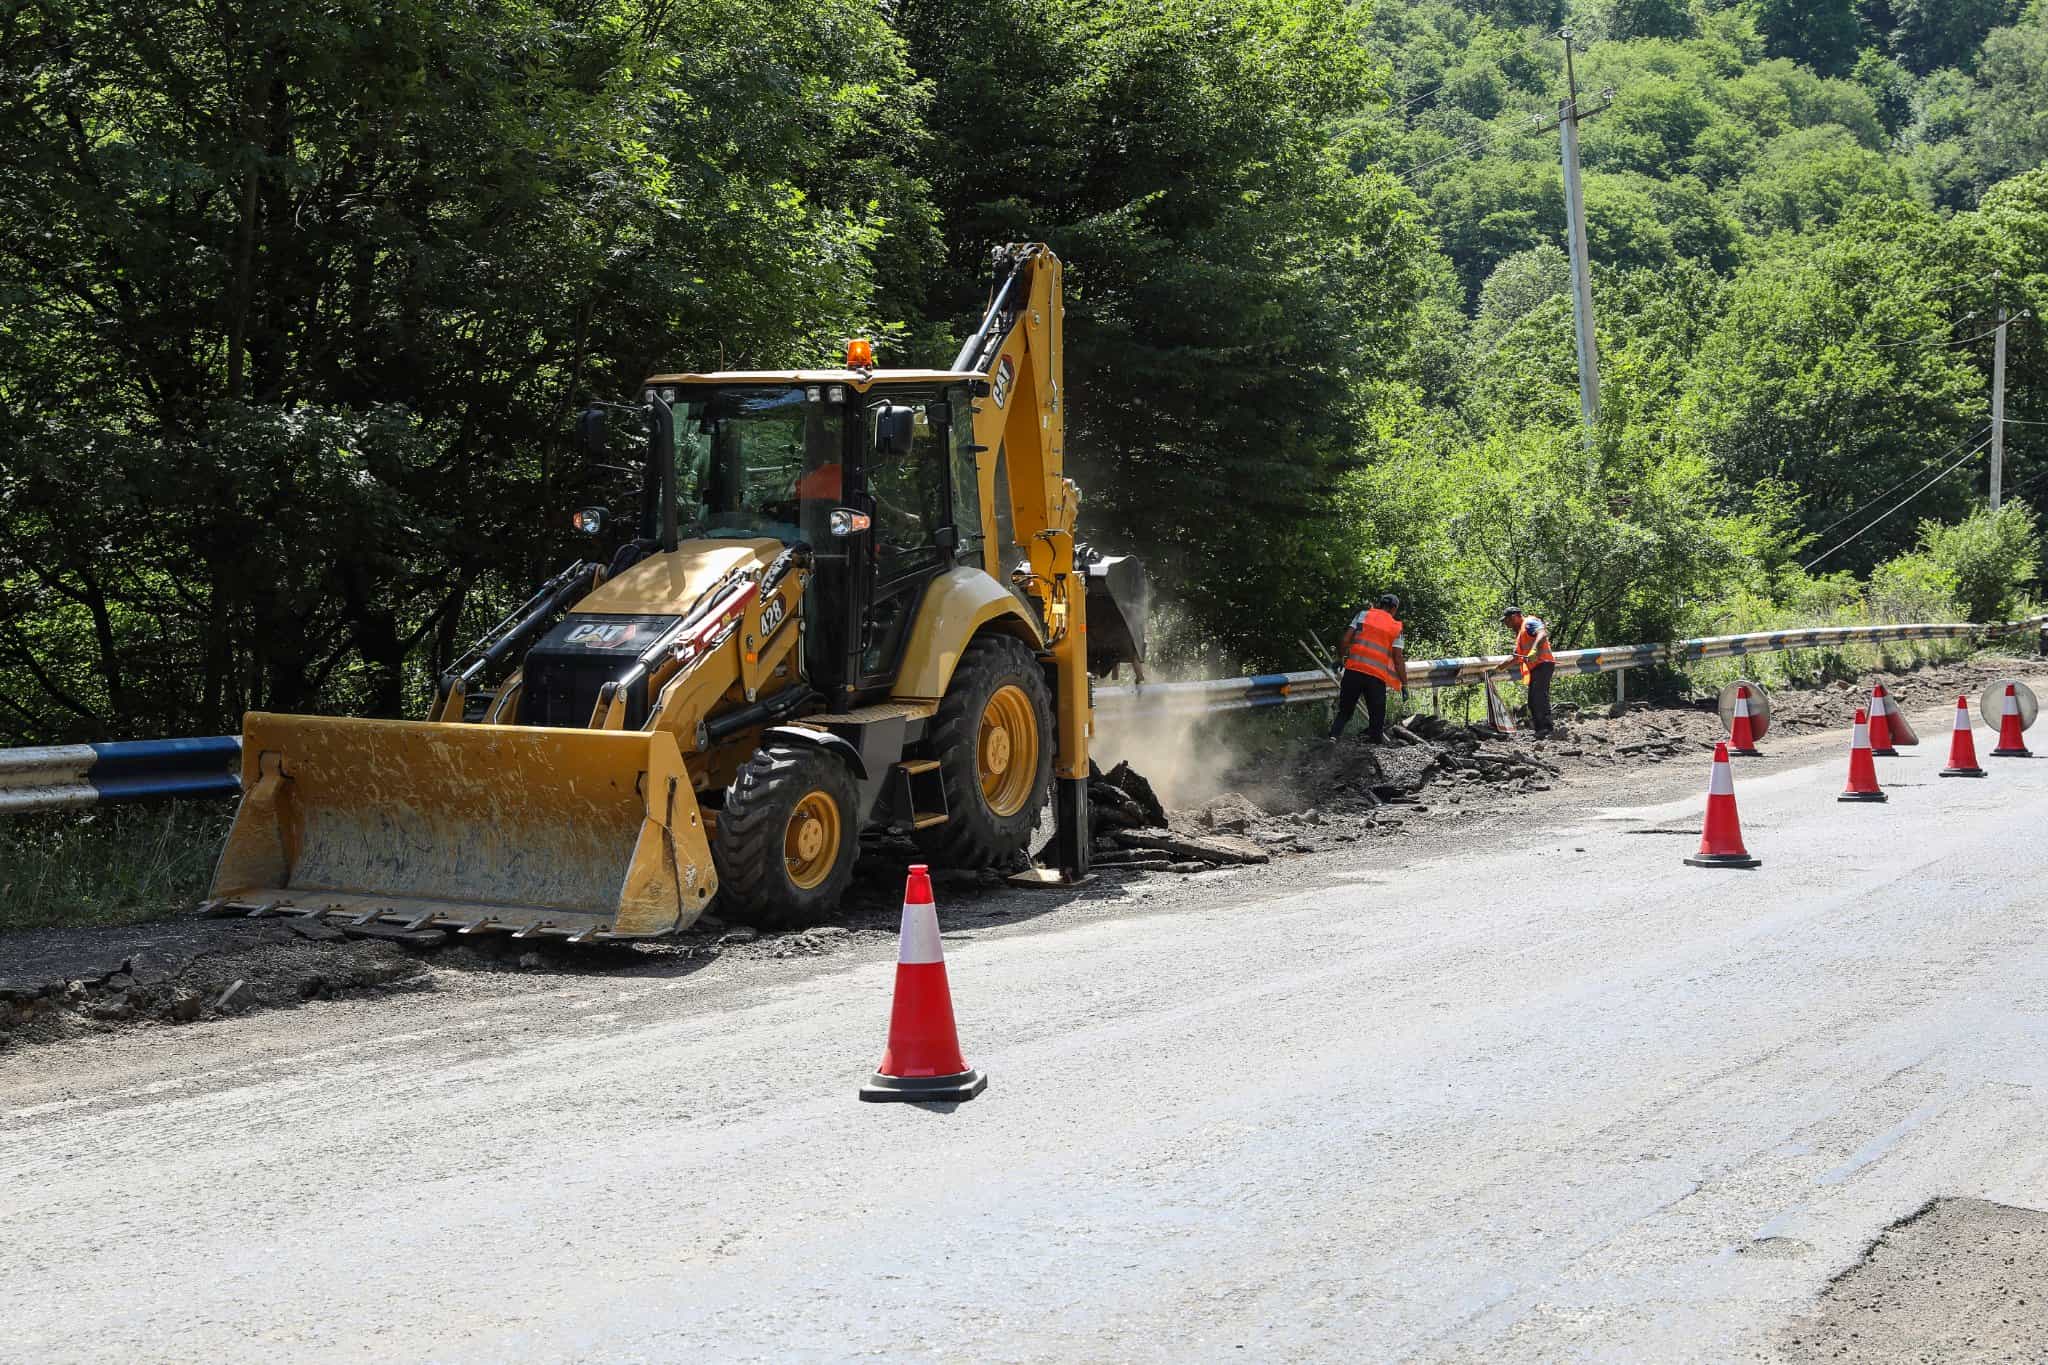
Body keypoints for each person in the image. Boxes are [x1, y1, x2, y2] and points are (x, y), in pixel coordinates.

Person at [1329, 594, 1406, 742]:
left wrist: (1340, 658)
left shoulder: (1362, 615)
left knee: (1344, 711)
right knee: (1377, 716)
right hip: (1375, 677)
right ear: (1394, 609)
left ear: (1379, 604)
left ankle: (1333, 738)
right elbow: (1398, 659)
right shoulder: (1396, 627)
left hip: (1353, 671)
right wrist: (1405, 684)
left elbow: (1345, 639)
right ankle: (1374, 747)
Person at [1499, 607, 1556, 737]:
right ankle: (1540, 729)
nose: (1506, 625)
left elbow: (1542, 633)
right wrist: (1498, 669)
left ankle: (1546, 729)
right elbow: (1515, 657)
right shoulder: (1521, 633)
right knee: (1533, 700)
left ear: (1514, 617)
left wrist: (1534, 650)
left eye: (1507, 621)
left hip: (1543, 664)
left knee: (1538, 698)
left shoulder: (1529, 623)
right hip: (1537, 667)